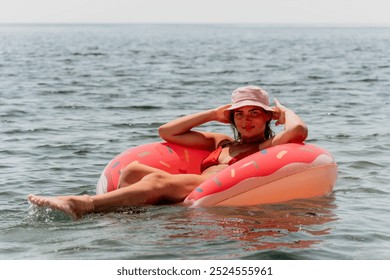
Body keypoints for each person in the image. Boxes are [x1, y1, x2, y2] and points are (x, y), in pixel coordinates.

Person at [28, 86, 308, 219]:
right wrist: (212, 113)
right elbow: (167, 131)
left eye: (255, 113)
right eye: (239, 114)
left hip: (219, 188)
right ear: (231, 118)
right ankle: (123, 216)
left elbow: (298, 133)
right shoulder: (220, 142)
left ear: (267, 118)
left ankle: (84, 205)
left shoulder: (267, 147)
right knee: (133, 170)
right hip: (195, 189)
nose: (246, 120)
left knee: (154, 182)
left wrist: (285, 111)